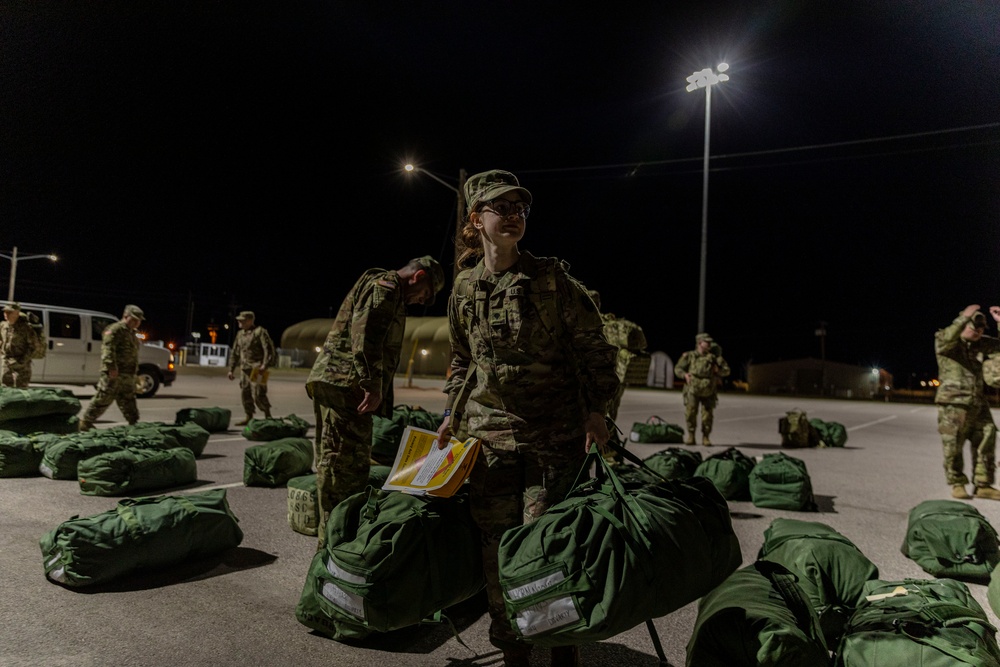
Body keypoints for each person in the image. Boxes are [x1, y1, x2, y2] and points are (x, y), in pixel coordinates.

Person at [435, 169, 619, 667]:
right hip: (487, 441)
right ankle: (513, 650)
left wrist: (597, 413)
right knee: (495, 551)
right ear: (477, 219)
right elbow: (459, 359)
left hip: (551, 439)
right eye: (502, 208)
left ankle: (560, 647)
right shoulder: (464, 289)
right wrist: (450, 414)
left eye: (520, 208)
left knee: (545, 545)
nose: (514, 216)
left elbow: (595, 350)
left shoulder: (552, 280)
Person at [306, 255, 445, 548]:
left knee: (338, 465)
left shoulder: (386, 288)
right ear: (419, 276)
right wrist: (371, 384)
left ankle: (333, 538)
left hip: (342, 385)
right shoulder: (387, 287)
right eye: (426, 294)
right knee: (344, 470)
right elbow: (365, 335)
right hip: (347, 388)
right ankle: (334, 543)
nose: (421, 300)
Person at [934, 304, 1000, 500]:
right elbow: (946, 339)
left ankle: (983, 485)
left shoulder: (980, 345)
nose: (979, 331)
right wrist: (964, 317)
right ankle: (957, 483)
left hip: (978, 404)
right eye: (975, 327)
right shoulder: (948, 343)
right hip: (954, 404)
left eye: (982, 329)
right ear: (963, 324)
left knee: (987, 437)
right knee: (953, 445)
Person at [78, 304, 145, 431]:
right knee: (103, 398)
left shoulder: (133, 333)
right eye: (134, 319)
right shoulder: (115, 330)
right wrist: (111, 368)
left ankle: (134, 423)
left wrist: (134, 373)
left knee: (128, 399)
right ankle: (86, 422)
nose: (137, 322)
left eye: (139, 320)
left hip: (128, 374)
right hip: (114, 373)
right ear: (125, 316)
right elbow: (107, 349)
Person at [675, 332, 730, 446]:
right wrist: (684, 375)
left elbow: (727, 370)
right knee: (690, 413)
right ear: (700, 343)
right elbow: (678, 368)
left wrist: (717, 371)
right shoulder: (689, 356)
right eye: (707, 342)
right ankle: (691, 436)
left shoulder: (715, 358)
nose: (710, 344)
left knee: (707, 416)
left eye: (710, 342)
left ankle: (706, 437)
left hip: (709, 390)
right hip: (693, 389)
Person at [228, 311, 276, 425]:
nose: (239, 322)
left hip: (258, 369)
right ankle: (249, 416)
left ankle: (268, 415)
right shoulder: (240, 334)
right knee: (245, 393)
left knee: (259, 393)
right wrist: (231, 369)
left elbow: (268, 349)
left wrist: (265, 365)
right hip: (245, 369)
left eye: (242, 320)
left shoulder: (260, 332)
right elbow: (235, 353)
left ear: (249, 321)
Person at [0, 302, 40, 388]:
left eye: (9, 312)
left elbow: (33, 347)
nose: (6, 314)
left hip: (21, 365)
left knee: (20, 390)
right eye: (5, 312)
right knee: (5, 389)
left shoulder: (26, 328)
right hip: (6, 364)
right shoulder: (3, 326)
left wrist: (22, 361)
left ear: (17, 314)